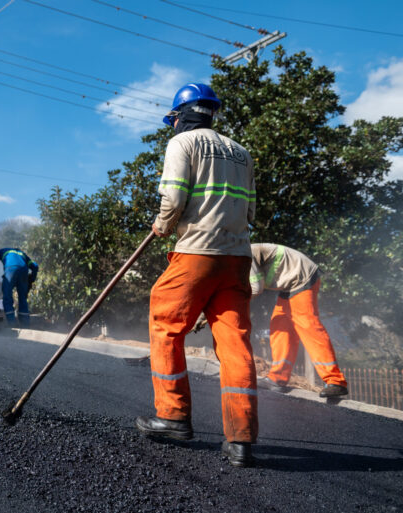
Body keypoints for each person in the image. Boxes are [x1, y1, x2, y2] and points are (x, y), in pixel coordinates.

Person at [136, 83, 258, 468]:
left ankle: (172, 416)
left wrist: (163, 225)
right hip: (237, 257)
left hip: (197, 252)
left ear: (181, 115)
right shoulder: (242, 152)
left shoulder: (183, 144)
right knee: (235, 344)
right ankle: (241, 440)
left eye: (173, 118)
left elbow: (173, 198)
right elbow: (251, 210)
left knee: (165, 323)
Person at [250, 243, 348, 398]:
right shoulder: (236, 256)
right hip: (290, 283)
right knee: (280, 325)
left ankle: (336, 381)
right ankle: (278, 378)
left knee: (308, 325)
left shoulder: (243, 255)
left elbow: (256, 288)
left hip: (302, 277)